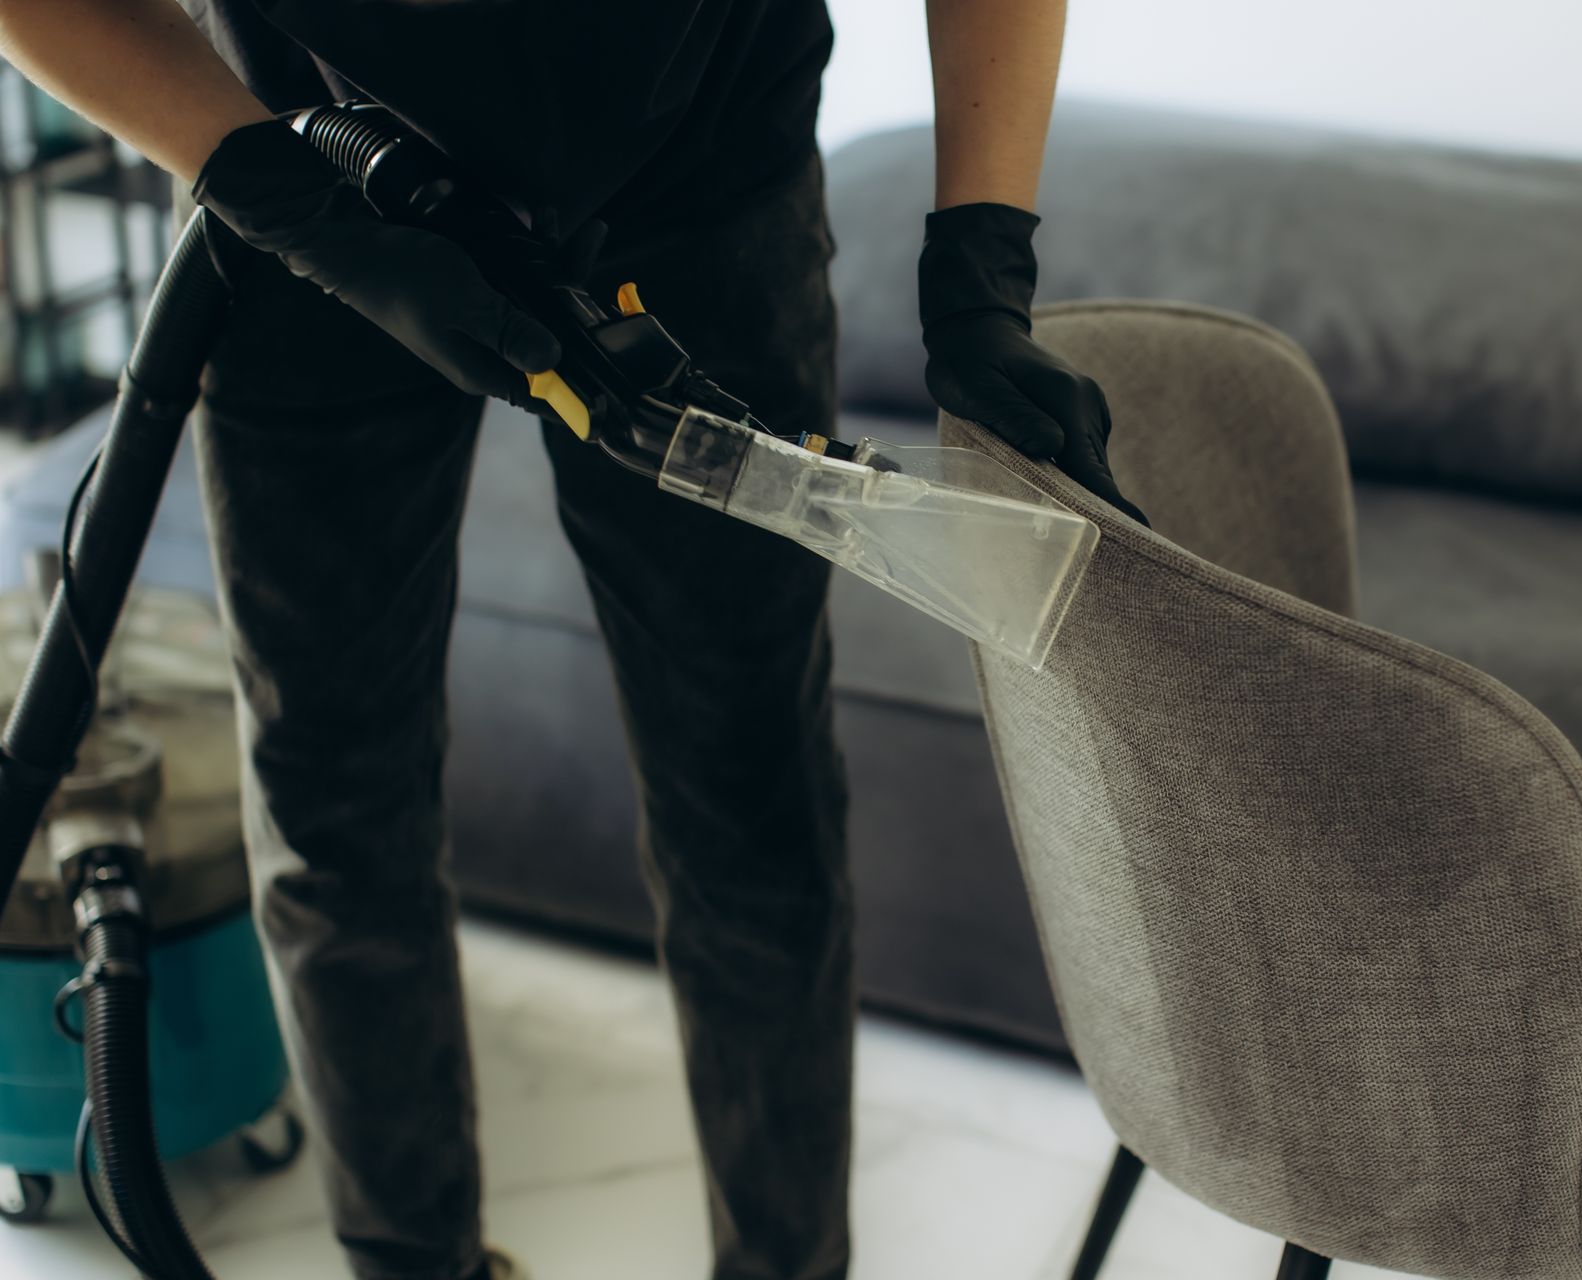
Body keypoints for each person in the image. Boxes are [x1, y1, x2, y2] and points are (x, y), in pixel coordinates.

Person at [0, 0, 1143, 1277]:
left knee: (748, 789)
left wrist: (981, 269)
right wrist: (307, 214)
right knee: (334, 793)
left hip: (699, 182)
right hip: (298, 164)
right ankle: (411, 1260)